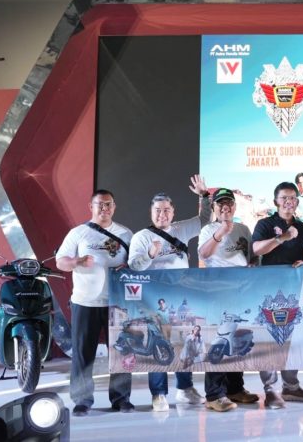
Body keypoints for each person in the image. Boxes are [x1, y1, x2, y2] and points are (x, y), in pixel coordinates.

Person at [128, 174, 211, 412]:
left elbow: (205, 220)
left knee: (183, 342)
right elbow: (134, 266)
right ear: (151, 212)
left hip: (180, 297)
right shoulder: (141, 237)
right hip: (154, 301)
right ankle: (159, 394)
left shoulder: (181, 229)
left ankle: (185, 389)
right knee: (159, 343)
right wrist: (150, 255)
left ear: (173, 212)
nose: (162, 215)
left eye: (166, 210)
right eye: (157, 210)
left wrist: (204, 196)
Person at [56, 189, 134, 416]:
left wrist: (129, 266)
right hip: (85, 302)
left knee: (121, 353)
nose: (104, 208)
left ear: (114, 207)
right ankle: (82, 400)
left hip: (117, 303)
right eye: (100, 204)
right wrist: (77, 261)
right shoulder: (78, 233)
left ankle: (121, 398)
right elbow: (61, 262)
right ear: (91, 207)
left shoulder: (126, 234)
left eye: (108, 204)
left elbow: (136, 262)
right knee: (83, 354)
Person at [252, 181, 303, 408]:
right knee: (269, 338)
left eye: (293, 198)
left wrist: (302, 261)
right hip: (268, 289)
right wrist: (283, 238)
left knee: (291, 337)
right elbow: (257, 249)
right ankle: (270, 389)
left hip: (292, 289)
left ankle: (291, 387)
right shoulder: (265, 224)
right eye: (284, 198)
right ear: (275, 202)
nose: (289, 202)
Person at [198, 187, 260, 412]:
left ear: (234, 206)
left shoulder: (244, 228)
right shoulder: (208, 229)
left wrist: (252, 264)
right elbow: (204, 254)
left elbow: (252, 257)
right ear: (214, 207)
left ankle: (235, 388)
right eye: (220, 203)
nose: (225, 207)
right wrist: (221, 232)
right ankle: (214, 394)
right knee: (219, 340)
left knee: (237, 340)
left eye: (229, 203)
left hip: (242, 291)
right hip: (218, 292)